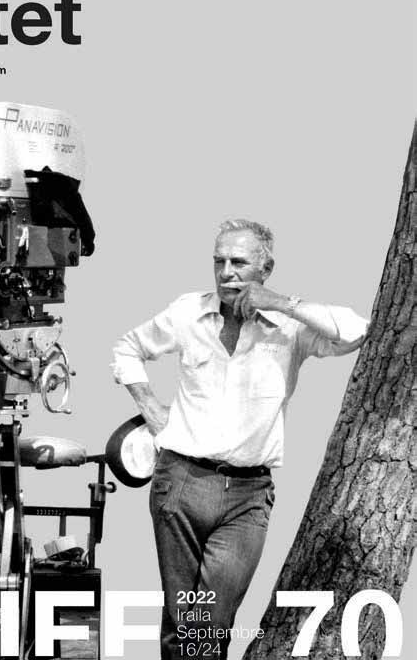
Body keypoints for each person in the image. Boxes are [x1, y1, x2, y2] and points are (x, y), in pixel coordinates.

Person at [112, 219, 368, 660]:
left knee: (211, 620)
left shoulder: (290, 328)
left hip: (247, 497)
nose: (226, 272)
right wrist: (150, 407)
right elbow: (127, 349)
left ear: (265, 269)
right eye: (219, 261)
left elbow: (358, 332)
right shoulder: (188, 312)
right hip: (180, 483)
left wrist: (283, 303)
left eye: (239, 262)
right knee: (181, 619)